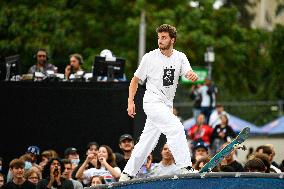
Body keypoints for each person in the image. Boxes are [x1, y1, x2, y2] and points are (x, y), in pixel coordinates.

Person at [119, 24, 198, 181]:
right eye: (159, 38)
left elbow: (187, 71)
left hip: (166, 105)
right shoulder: (150, 57)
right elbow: (135, 80)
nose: (160, 41)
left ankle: (126, 174)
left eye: (164, 38)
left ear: (172, 40)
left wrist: (191, 74)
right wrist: (130, 101)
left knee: (147, 142)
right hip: (152, 102)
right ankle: (186, 167)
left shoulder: (180, 57)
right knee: (176, 127)